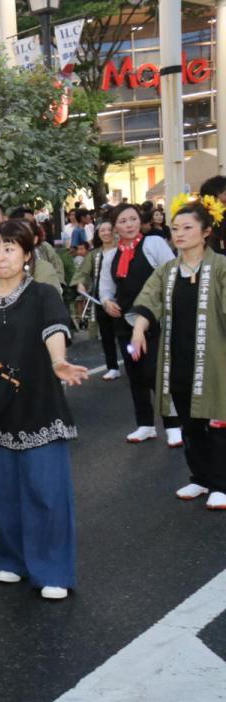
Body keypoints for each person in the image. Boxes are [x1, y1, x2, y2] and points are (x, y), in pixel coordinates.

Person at [0, 219, 88, 600]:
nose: (0, 256)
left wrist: (58, 361)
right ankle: (10, 560)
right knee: (1, 494)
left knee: (46, 493)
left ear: (27, 254)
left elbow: (55, 327)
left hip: (39, 406)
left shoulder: (42, 294)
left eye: (9, 248)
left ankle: (53, 570)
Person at [128, 200, 226, 511]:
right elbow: (148, 300)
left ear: (206, 231)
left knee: (218, 422)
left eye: (188, 228)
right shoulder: (167, 271)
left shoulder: (221, 267)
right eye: (175, 228)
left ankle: (221, 484)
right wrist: (138, 329)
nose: (179, 234)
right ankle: (199, 477)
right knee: (188, 420)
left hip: (215, 360)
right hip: (177, 358)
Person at [99, 202, 181, 445]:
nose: (129, 225)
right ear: (115, 227)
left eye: (132, 219)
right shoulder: (111, 256)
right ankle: (145, 424)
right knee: (135, 374)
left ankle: (173, 424)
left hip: (155, 322)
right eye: (123, 221)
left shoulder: (153, 243)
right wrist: (106, 302)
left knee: (155, 371)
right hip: (125, 323)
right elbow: (105, 287)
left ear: (140, 220)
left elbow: (171, 273)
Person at [75, 219, 122, 380]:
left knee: (124, 335)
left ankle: (133, 363)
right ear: (98, 233)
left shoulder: (123, 250)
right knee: (107, 334)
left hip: (122, 298)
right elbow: (84, 272)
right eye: (102, 230)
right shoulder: (95, 254)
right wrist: (81, 283)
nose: (106, 233)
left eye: (109, 230)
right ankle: (112, 367)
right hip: (100, 299)